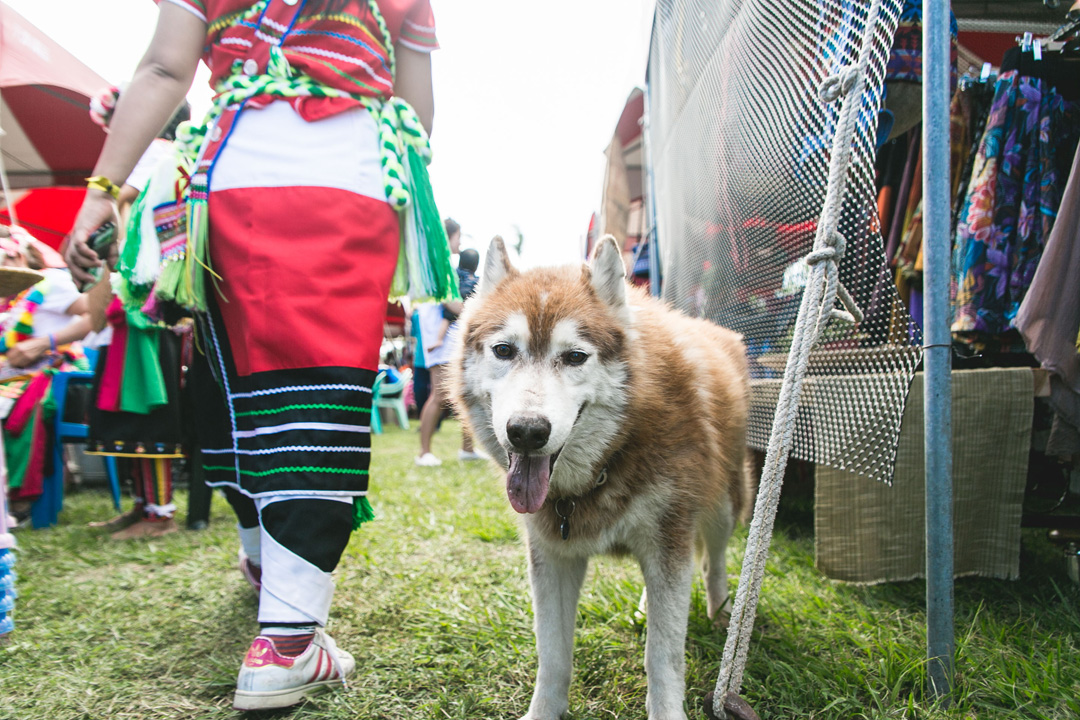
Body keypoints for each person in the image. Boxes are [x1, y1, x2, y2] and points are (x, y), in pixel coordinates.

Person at [63, 0, 440, 710]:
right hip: (353, 170)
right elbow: (416, 113)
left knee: (236, 379)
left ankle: (266, 567)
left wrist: (101, 193)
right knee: (319, 384)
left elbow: (166, 67)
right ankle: (289, 641)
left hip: (231, 173)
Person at [83, 101, 193, 540]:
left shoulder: (160, 153)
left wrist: (103, 193)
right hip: (132, 301)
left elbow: (120, 198)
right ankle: (143, 504)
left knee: (148, 409)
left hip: (145, 302)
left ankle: (160, 512)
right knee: (130, 410)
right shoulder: (154, 155)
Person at [1, 226, 92, 522]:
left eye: (7, 257)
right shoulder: (5, 298)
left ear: (22, 255)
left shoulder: (50, 282)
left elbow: (95, 315)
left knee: (23, 404)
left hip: (57, 376)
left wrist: (45, 343)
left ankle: (21, 501)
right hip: (9, 378)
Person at [415, 222, 482, 466]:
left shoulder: (446, 267)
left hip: (452, 336)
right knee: (440, 394)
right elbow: (449, 303)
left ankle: (467, 448)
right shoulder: (438, 266)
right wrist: (474, 312)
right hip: (439, 337)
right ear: (447, 238)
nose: (460, 243)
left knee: (466, 390)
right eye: (457, 237)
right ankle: (424, 452)